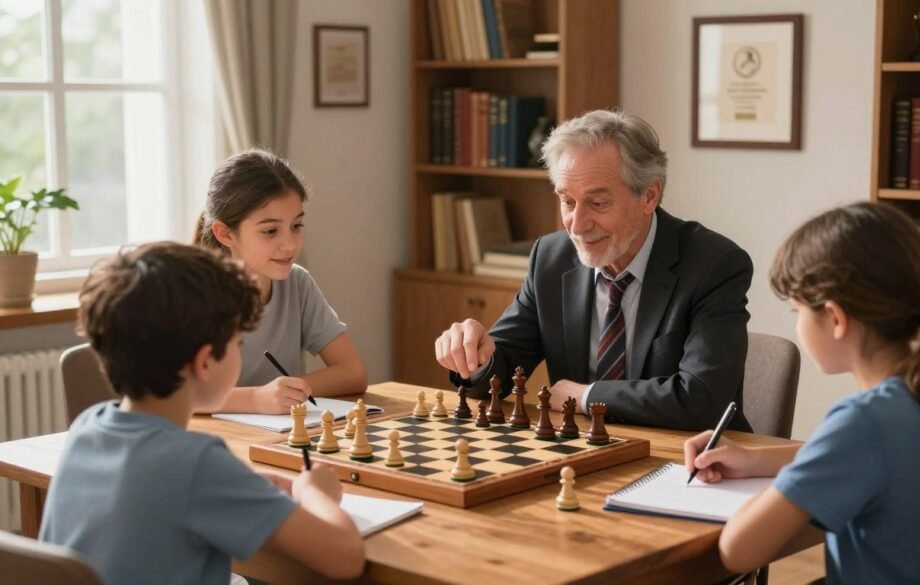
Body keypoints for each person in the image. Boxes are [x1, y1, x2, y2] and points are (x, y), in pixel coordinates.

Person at [683, 203, 920, 583]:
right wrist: (753, 460)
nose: (798, 325)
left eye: (797, 311)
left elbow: (738, 551)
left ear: (836, 318)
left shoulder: (863, 421)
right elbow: (850, 455)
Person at [39, 242, 365, 585]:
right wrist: (314, 492)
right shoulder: (197, 465)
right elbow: (345, 558)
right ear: (205, 362)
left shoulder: (87, 429)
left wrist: (239, 486)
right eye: (238, 344)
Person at [435, 110, 754, 430]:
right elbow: (501, 371)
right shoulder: (551, 258)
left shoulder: (714, 265)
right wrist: (475, 357)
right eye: (567, 202)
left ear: (649, 195)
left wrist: (588, 397)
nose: (578, 225)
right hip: (582, 452)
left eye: (598, 203)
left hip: (690, 461)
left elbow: (702, 400)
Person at [194, 149, 367, 414]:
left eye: (296, 226)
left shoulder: (297, 283)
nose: (289, 244)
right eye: (270, 231)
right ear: (225, 233)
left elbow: (353, 372)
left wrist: (284, 391)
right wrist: (254, 399)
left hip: (280, 438)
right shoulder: (192, 295)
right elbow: (169, 397)